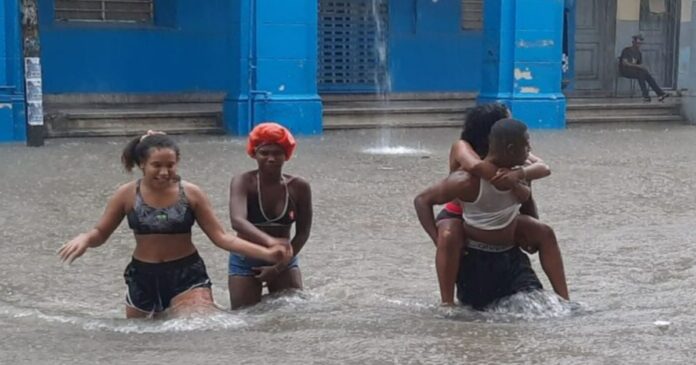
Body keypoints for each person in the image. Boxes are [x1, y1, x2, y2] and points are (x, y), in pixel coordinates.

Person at [58, 130, 291, 319]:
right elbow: (101, 233)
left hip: (187, 275)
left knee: (196, 330)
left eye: (170, 165)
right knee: (141, 340)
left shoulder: (191, 193)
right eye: (156, 165)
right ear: (142, 164)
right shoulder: (127, 194)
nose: (164, 172)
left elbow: (222, 237)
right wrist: (86, 238)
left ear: (177, 162)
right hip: (143, 276)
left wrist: (267, 252)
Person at [414, 119, 568, 309]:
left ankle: (566, 300)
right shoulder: (466, 180)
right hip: (476, 245)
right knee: (448, 234)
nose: (530, 149)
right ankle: (447, 303)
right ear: (511, 148)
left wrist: (518, 177)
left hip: (508, 244)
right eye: (527, 145)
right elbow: (422, 200)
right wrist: (435, 238)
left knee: (545, 232)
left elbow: (539, 177)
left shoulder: (521, 169)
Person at [228, 122, 312, 309]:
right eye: (264, 153)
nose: (271, 158)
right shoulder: (243, 181)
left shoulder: (299, 186)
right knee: (244, 317)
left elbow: (303, 233)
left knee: (293, 313)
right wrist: (270, 242)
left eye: (277, 153)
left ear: (286, 155)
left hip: (283, 259)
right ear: (254, 154)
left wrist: (278, 267)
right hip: (246, 258)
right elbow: (237, 221)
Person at [619, 34, 670, 103]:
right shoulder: (627, 50)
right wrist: (638, 66)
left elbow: (639, 65)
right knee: (642, 74)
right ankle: (653, 94)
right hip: (625, 71)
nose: (638, 45)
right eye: (637, 43)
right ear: (633, 42)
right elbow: (624, 63)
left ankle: (657, 94)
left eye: (640, 44)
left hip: (635, 72)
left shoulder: (638, 53)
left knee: (645, 74)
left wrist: (643, 68)